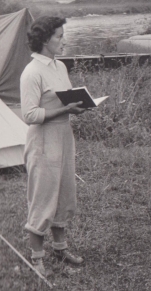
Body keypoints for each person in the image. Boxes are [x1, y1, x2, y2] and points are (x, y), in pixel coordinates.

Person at [20, 16, 85, 276]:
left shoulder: (59, 67)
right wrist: (63, 109)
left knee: (65, 194)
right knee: (43, 198)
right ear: (45, 40)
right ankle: (37, 259)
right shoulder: (32, 72)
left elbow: (65, 101)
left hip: (63, 137)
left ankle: (60, 249)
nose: (63, 40)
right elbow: (29, 115)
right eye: (59, 36)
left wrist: (75, 108)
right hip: (43, 142)